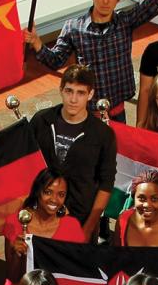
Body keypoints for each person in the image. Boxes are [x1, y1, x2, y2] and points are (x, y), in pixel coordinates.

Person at [27, 0, 158, 122]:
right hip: (89, 111)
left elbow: (155, 4)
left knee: (120, 146)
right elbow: (55, 61)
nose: (105, 1)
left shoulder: (125, 21)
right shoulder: (74, 27)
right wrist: (36, 42)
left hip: (118, 106)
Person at [29, 65, 117, 240]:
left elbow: (106, 184)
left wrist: (88, 227)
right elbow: (26, 165)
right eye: (69, 91)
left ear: (90, 94)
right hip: (41, 216)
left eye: (81, 93)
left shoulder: (102, 134)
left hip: (80, 218)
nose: (73, 99)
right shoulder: (41, 121)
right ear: (61, 90)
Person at [1, 167, 86, 285]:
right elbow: (12, 277)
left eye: (61, 195)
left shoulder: (72, 227)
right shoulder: (15, 222)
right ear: (37, 191)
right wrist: (16, 255)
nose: (54, 199)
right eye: (48, 192)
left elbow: (76, 274)